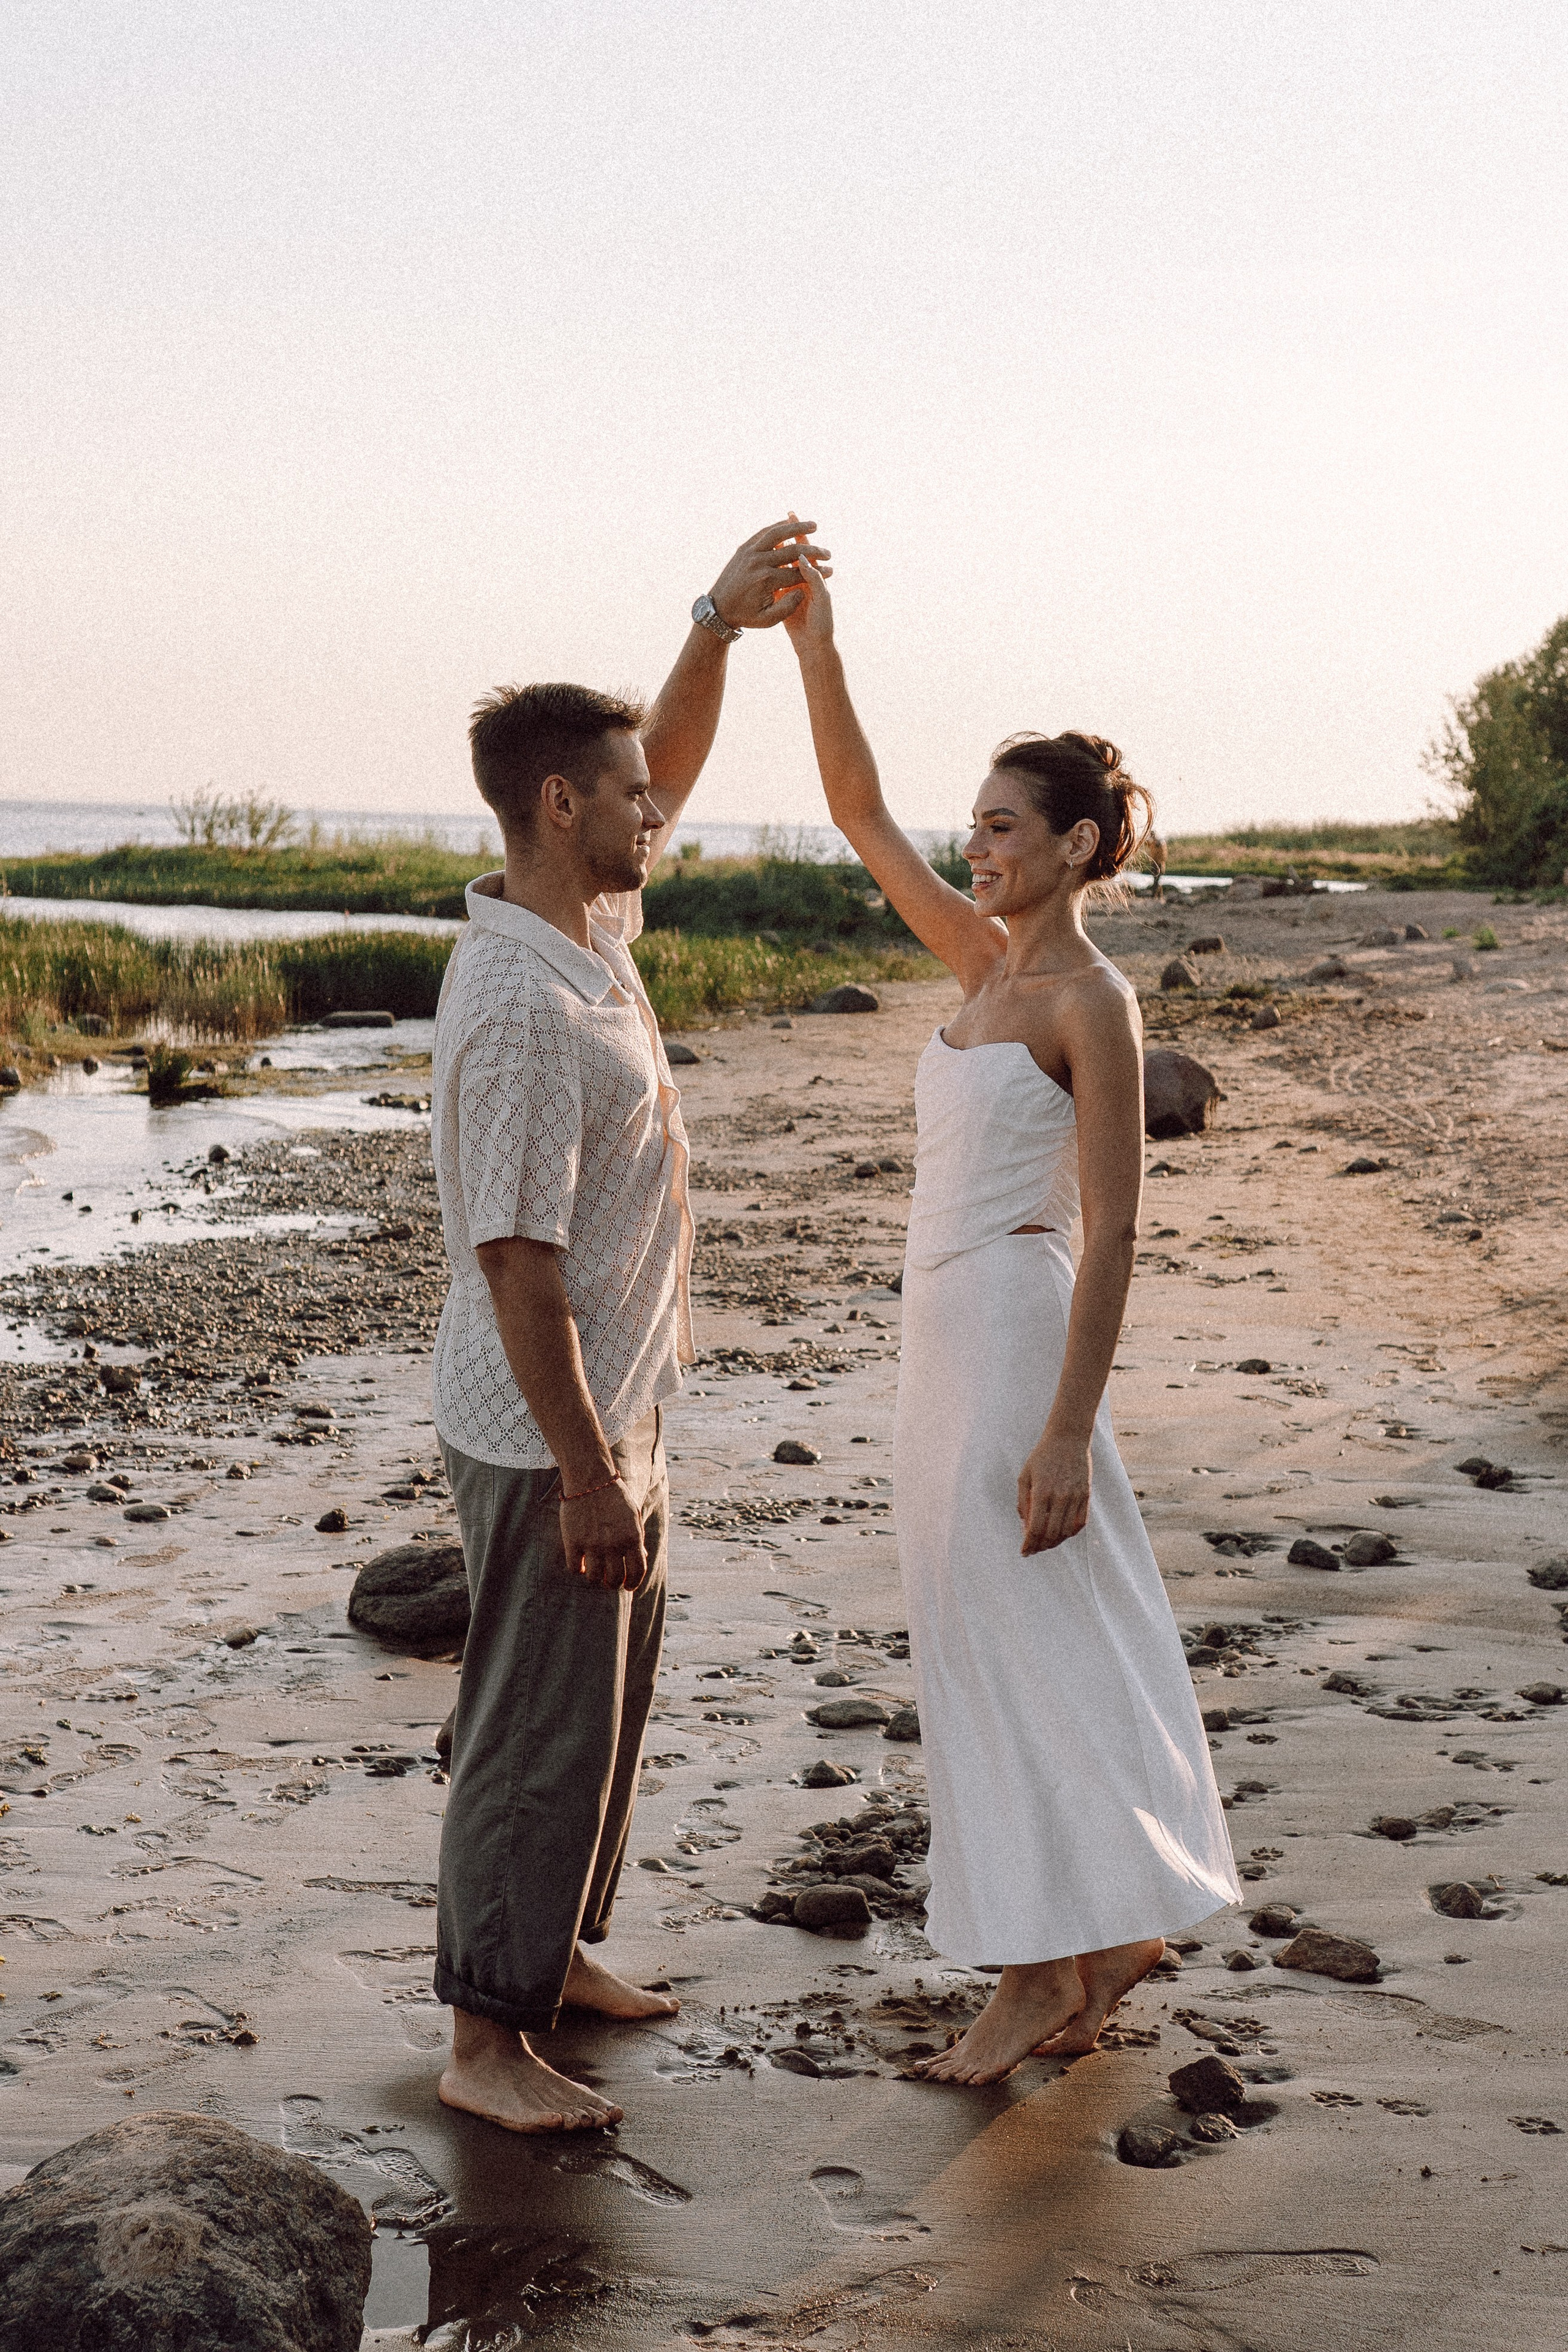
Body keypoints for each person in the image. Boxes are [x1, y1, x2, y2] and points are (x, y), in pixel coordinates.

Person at [783, 554, 1240, 2086]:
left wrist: (1062, 1430)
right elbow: (854, 811)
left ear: (1077, 847)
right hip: (939, 1341)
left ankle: (1042, 1965)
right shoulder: (981, 970)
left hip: (1012, 1344)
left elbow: (1115, 1225)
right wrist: (816, 640)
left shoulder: (1084, 1006)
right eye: (971, 824)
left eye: (1001, 826)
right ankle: (1093, 1932)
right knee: (984, 1640)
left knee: (1012, 1637)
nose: (971, 849)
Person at [430, 518, 831, 2133]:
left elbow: (660, 745)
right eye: (630, 797)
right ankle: (483, 2040)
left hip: (618, 1406)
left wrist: (715, 627)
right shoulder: (522, 1003)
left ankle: (554, 1954)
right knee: (533, 1726)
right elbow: (516, 1266)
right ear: (555, 807)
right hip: (553, 1433)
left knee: (603, 1706)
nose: (660, 807)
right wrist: (592, 1472)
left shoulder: (579, 926)